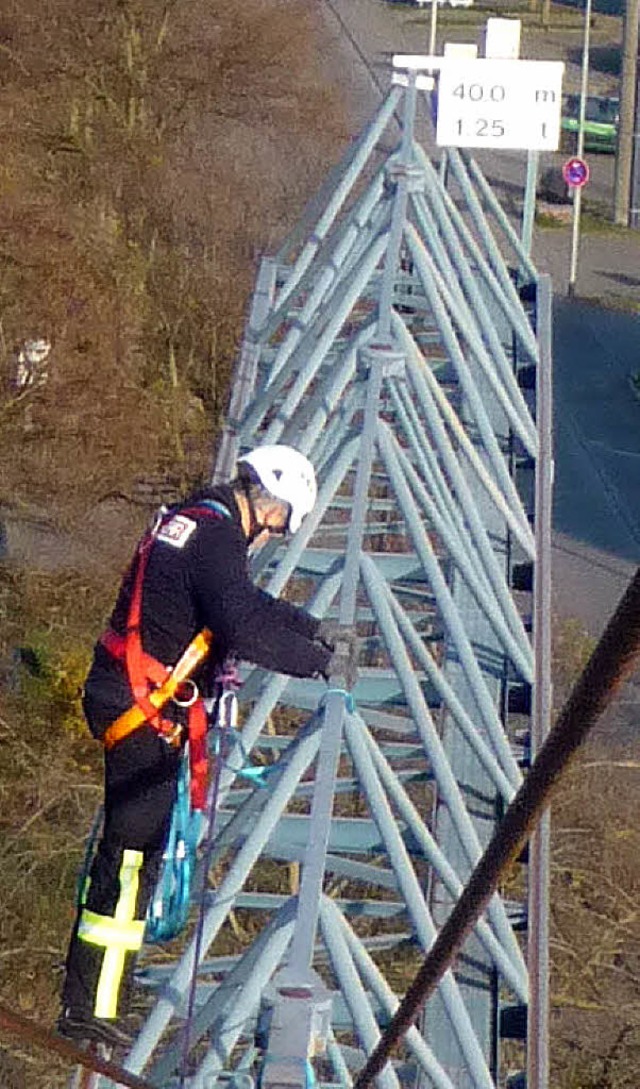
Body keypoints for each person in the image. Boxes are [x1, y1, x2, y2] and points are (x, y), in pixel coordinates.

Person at [57, 444, 343, 1051]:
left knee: (134, 852)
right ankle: (92, 1008)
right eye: (280, 527)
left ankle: (98, 999)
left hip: (130, 696)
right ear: (272, 514)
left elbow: (241, 602)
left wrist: (309, 628)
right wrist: (315, 664)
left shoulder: (197, 519)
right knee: (131, 858)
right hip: (141, 708)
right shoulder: (216, 540)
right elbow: (240, 624)